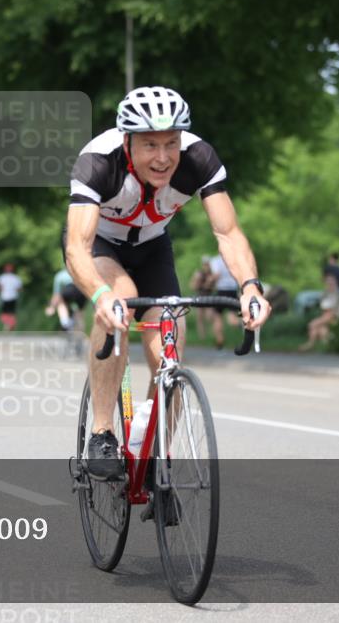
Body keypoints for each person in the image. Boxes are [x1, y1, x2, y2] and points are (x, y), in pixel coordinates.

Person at [64, 86, 271, 478]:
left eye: (171, 143)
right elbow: (78, 247)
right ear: (128, 142)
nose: (163, 158)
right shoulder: (98, 161)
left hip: (154, 248)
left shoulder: (198, 159)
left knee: (168, 352)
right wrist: (101, 296)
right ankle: (103, 431)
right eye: (150, 145)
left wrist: (250, 287)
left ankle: (155, 456)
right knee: (121, 300)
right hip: (103, 249)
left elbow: (228, 233)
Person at [209, 254, 241, 348]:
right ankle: (242, 325)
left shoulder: (215, 260)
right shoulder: (234, 258)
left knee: (217, 317)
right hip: (233, 290)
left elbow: (216, 275)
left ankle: (219, 341)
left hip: (221, 290)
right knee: (232, 317)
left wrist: (209, 282)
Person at [45, 267, 86, 332]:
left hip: (70, 288)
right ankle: (80, 329)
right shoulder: (81, 272)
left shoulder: (59, 275)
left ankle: (65, 322)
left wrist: (52, 307)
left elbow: (56, 295)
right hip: (82, 291)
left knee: (61, 302)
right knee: (79, 311)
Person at [188, 256, 216, 340]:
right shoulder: (199, 273)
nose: (206, 266)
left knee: (210, 317)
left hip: (209, 297)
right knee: (200, 318)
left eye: (207, 264)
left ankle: (212, 335)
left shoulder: (213, 274)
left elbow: (215, 287)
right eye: (205, 264)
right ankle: (202, 337)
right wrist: (198, 281)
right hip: (200, 297)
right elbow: (192, 286)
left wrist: (210, 282)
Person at [0, 263, 23, 331]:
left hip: (5, 297)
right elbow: (19, 289)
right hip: (13, 297)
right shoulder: (16, 277)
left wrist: (3, 290)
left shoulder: (2, 277)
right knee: (11, 313)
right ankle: (10, 325)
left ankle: (8, 326)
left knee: (5, 314)